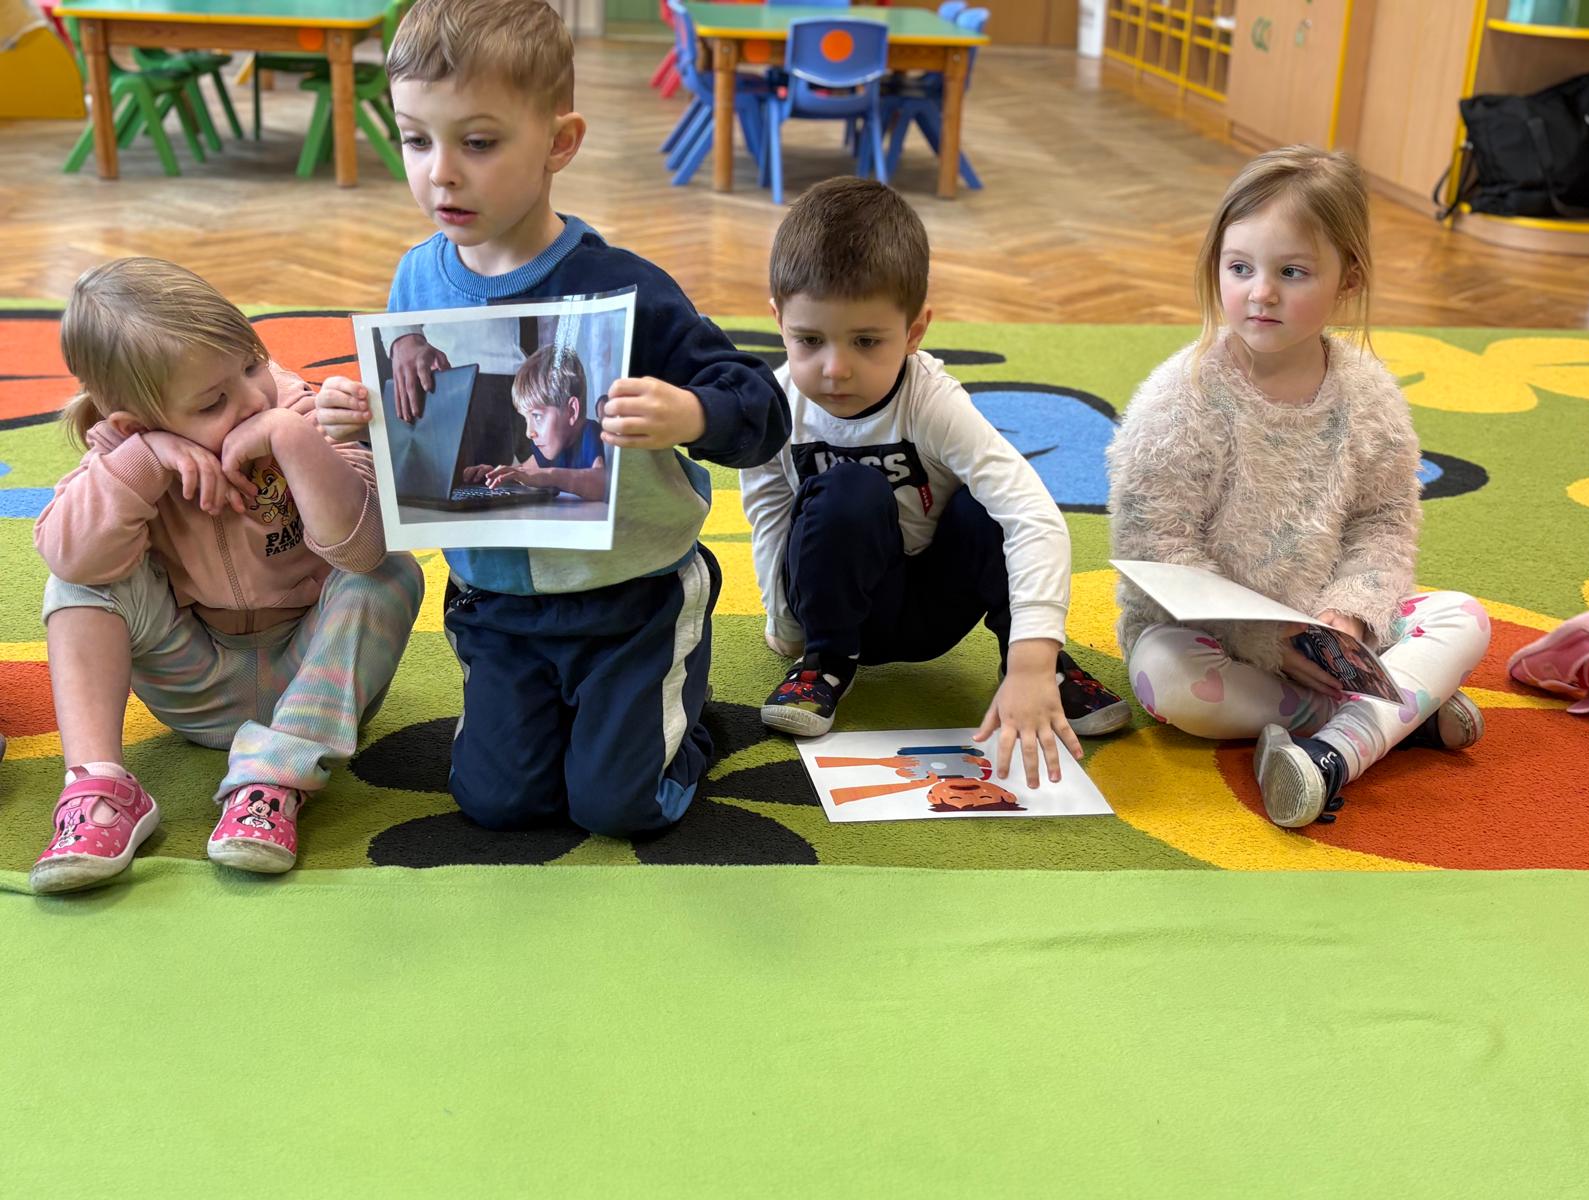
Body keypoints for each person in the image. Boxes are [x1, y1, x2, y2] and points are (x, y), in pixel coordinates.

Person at [316, 0, 788, 838]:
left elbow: (762, 408)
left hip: (630, 603)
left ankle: (682, 717)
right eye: (416, 140)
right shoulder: (416, 281)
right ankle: (592, 724)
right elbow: (413, 428)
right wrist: (360, 411)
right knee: (498, 804)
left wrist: (687, 412)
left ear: (559, 143)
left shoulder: (627, 289)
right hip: (496, 608)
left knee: (621, 807)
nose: (440, 174)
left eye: (478, 142)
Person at [1106, 146, 1491, 829]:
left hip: (1332, 637)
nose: (1261, 292)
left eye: (1292, 272)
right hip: (1212, 639)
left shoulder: (1369, 395)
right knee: (1169, 679)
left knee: (1465, 617)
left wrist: (1350, 617)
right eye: (1240, 268)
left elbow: (1385, 520)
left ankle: (1336, 745)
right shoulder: (1181, 398)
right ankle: (1387, 718)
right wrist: (1264, 639)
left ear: (1349, 280)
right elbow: (1153, 552)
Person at [30, 257, 424, 894]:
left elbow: (362, 550)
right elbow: (70, 557)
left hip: (318, 678)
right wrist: (146, 460)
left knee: (390, 572)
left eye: (251, 365)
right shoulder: (123, 452)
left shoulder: (298, 411)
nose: (250, 399)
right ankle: (98, 786)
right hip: (196, 687)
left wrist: (291, 438)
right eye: (213, 402)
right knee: (78, 583)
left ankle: (272, 780)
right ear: (136, 422)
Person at [741, 178, 1130, 790]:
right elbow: (768, 507)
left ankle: (1039, 672)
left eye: (867, 342)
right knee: (848, 490)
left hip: (930, 608)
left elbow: (1032, 516)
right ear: (777, 320)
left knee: (988, 503)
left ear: (915, 331)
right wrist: (787, 620)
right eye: (809, 340)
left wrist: (1034, 657)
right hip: (837, 607)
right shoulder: (774, 403)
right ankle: (827, 663)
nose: (835, 369)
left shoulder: (933, 402)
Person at [460, 343, 607, 501]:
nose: (529, 433)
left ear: (571, 410)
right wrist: (495, 475)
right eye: (526, 419)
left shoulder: (590, 433)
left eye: (537, 416)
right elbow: (524, 473)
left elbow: (602, 482)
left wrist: (549, 476)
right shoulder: (548, 447)